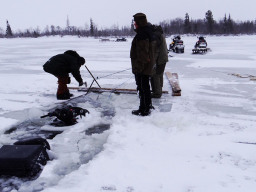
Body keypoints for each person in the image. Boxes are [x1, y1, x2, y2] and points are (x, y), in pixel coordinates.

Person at [130, 13, 157, 116]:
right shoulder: (148, 31)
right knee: (145, 87)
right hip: (147, 66)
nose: (134, 24)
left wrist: (138, 68)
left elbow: (142, 55)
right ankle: (147, 106)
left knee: (142, 88)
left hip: (142, 67)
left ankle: (144, 110)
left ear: (139, 23)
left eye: (135, 22)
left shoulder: (142, 34)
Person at [150, 25, 168, 98]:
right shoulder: (159, 34)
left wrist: (153, 61)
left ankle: (157, 93)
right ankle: (159, 90)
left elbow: (156, 50)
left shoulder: (156, 35)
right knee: (160, 74)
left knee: (156, 75)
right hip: (163, 58)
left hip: (160, 59)